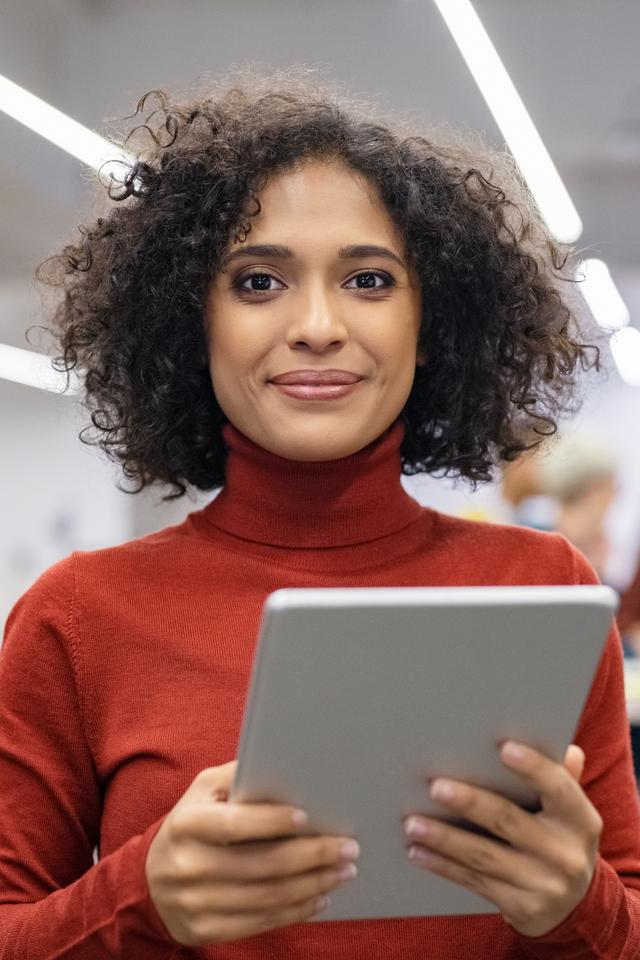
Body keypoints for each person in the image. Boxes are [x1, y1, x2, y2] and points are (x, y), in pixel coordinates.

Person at [2, 65, 639, 959]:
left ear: (434, 322)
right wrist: (136, 900)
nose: (316, 325)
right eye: (258, 282)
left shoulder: (541, 593)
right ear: (194, 322)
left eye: (369, 281)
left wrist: (579, 904)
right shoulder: (78, 617)